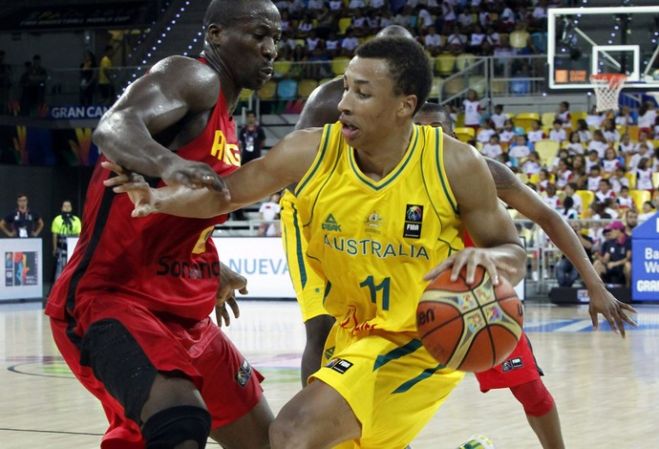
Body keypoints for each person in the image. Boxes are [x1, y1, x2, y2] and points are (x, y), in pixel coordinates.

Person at [105, 36, 528, 449]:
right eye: (346, 87)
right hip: (353, 335)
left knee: (293, 431)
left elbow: (513, 253)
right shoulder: (310, 152)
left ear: (405, 106)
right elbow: (227, 192)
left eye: (362, 93)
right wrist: (158, 197)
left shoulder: (453, 163)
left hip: (420, 338)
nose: (343, 103)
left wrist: (487, 257)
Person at [279, 86, 635, 448]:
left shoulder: (475, 169)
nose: (430, 137)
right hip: (412, 312)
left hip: (479, 303)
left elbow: (547, 216)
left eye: (438, 130)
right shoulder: (387, 172)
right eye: (422, 129)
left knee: (531, 391)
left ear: (452, 135)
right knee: (374, 398)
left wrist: (595, 285)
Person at [45, 1, 282, 448]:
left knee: (268, 443)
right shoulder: (194, 78)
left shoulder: (227, 123)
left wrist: (212, 266)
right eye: (258, 35)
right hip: (112, 299)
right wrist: (167, 163)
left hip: (183, 311)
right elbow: (114, 126)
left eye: (276, 39)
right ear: (214, 35)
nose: (270, 49)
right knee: (179, 421)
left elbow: (187, 216)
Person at [593, 221, 631, 287]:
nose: (610, 232)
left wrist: (615, 264)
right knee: (597, 263)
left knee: (628, 265)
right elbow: (606, 259)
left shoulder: (628, 240)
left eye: (612, 230)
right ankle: (598, 290)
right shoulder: (611, 241)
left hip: (622, 267)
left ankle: (628, 290)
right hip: (611, 267)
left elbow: (628, 258)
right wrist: (598, 256)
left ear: (618, 230)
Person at [50, 200, 82, 280]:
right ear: (61, 208)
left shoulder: (76, 220)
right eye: (65, 206)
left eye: (69, 206)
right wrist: (55, 248)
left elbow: (79, 235)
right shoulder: (57, 219)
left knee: (73, 268)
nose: (67, 208)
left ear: (71, 208)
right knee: (60, 269)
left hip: (73, 249)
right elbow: (55, 235)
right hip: (61, 248)